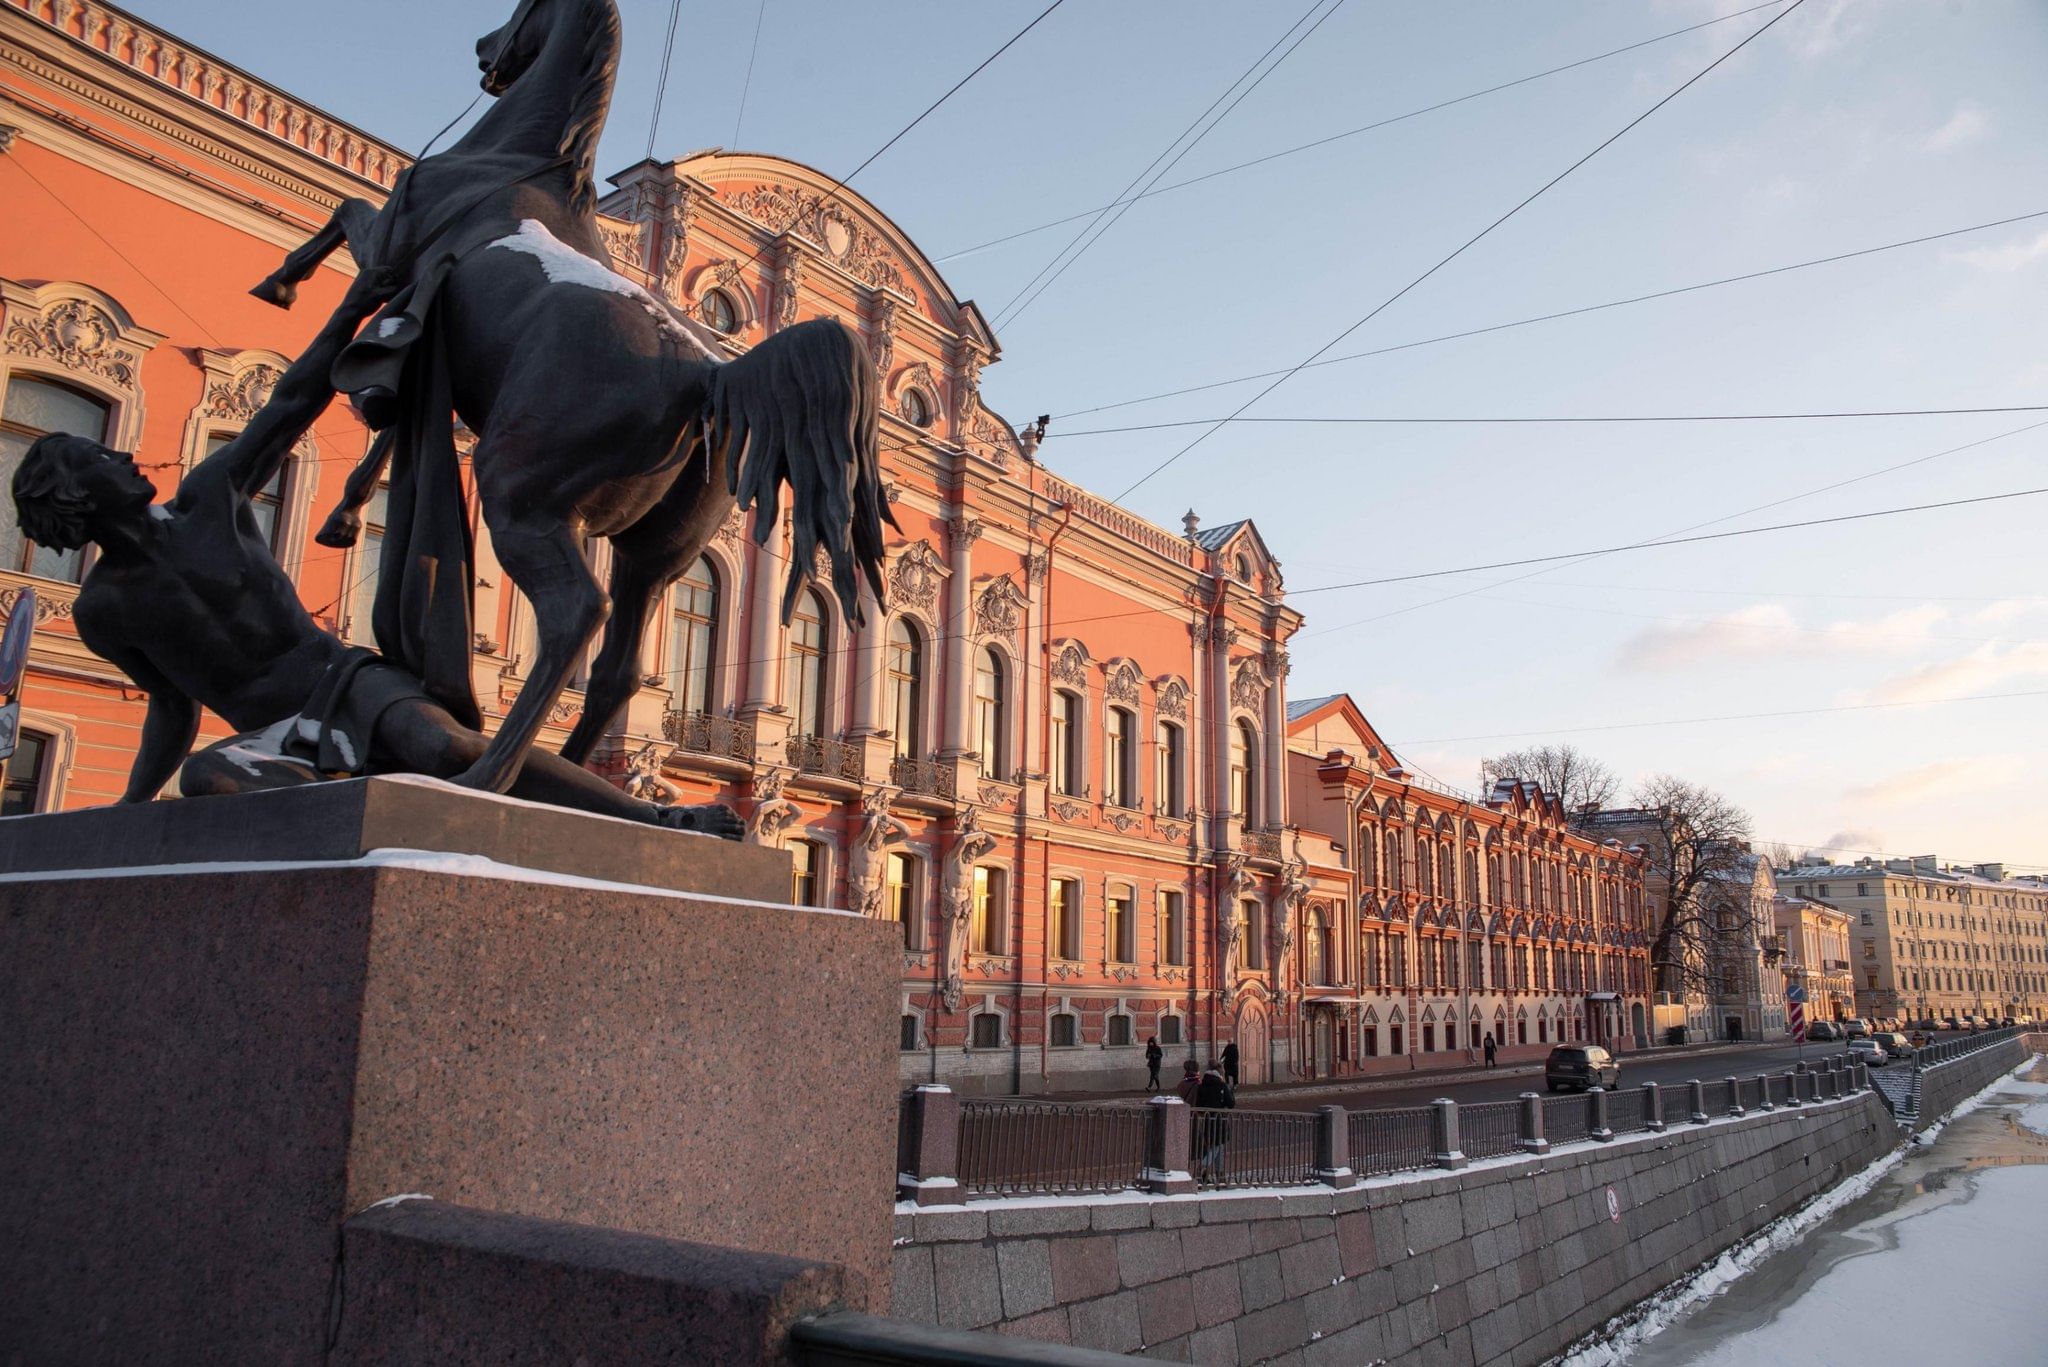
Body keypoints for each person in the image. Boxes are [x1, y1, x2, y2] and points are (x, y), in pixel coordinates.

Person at [7, 269, 739, 835]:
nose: (124, 455)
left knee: (444, 748)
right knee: (210, 779)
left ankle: (658, 820)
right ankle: (373, 811)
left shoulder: (209, 500)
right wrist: (134, 803)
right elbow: (171, 704)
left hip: (345, 681)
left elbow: (291, 400)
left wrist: (360, 304)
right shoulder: (105, 609)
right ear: (73, 495)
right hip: (274, 732)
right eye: (97, 458)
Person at [1195, 1062, 1234, 1183]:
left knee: (1217, 1146)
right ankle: (1203, 1167)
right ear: (1219, 1071)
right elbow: (1231, 1103)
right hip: (1219, 1119)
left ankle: (1220, 1176)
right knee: (1218, 1146)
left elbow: (1198, 1104)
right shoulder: (1221, 1085)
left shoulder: (1202, 1085)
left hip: (1207, 1119)